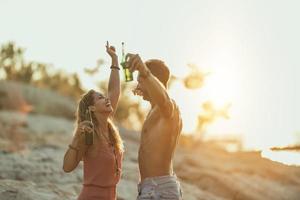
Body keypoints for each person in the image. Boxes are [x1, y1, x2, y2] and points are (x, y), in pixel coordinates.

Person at [62, 42, 124, 200]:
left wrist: (115, 60)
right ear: (92, 109)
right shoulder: (89, 133)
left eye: (104, 96)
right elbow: (67, 167)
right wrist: (77, 137)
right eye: (100, 98)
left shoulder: (109, 130)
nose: (107, 99)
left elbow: (115, 90)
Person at [126, 54, 183, 199]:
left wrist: (145, 72)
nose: (138, 85)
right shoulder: (154, 109)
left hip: (159, 189)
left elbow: (164, 100)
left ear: (152, 80)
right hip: (151, 188)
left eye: (141, 81)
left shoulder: (168, 107)